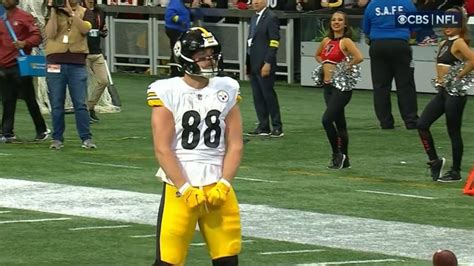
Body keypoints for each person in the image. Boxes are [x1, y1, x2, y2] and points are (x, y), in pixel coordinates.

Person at [147, 27, 243, 265]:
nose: (209, 60)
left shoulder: (226, 87)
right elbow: (163, 149)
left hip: (217, 186)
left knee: (228, 260)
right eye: (202, 55)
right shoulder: (168, 91)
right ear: (186, 58)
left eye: (212, 54)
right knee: (168, 262)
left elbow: (236, 144)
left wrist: (225, 183)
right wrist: (184, 187)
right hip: (180, 187)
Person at [417, 6, 474, 182]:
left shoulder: (459, 42)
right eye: (445, 22)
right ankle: (434, 160)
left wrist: (458, 76)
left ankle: (455, 171)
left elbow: (472, 60)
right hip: (443, 92)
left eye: (452, 23)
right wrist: (440, 79)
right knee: (422, 124)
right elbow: (438, 64)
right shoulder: (443, 43)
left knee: (453, 131)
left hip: (455, 94)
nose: (447, 26)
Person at [44, 0, 96, 149]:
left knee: (80, 104)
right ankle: (57, 138)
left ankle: (86, 138)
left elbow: (85, 29)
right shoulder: (54, 12)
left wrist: (71, 13)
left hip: (77, 63)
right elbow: (50, 33)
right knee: (56, 103)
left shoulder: (86, 12)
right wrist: (54, 11)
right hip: (54, 61)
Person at [315, 11, 363, 169]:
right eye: (334, 20)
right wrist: (324, 68)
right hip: (328, 87)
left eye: (340, 20)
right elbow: (318, 55)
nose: (336, 22)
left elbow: (359, 57)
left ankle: (337, 154)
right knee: (340, 123)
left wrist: (345, 67)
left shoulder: (346, 41)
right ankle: (345, 159)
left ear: (345, 24)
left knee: (326, 120)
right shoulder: (326, 40)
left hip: (341, 88)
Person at [362, 0, 419, 130]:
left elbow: (366, 29)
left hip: (378, 45)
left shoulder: (373, 4)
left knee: (380, 86)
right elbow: (415, 27)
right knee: (405, 85)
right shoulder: (407, 4)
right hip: (400, 44)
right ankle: (411, 121)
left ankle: (385, 122)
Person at [0, 0, 49, 143]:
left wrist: (24, 43)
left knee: (29, 99)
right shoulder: (2, 17)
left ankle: (42, 130)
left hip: (20, 64)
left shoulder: (24, 16)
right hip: (4, 65)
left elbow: (37, 36)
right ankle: (7, 132)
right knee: (7, 100)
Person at [246, 0, 283, 137]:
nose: (255, 2)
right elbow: (250, 42)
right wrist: (248, 63)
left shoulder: (271, 17)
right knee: (258, 96)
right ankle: (263, 126)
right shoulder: (254, 17)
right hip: (253, 62)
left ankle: (277, 126)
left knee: (268, 96)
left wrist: (268, 62)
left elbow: (274, 42)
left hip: (264, 63)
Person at [83, 0, 109, 122]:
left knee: (104, 81)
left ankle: (90, 106)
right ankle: (84, 111)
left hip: (97, 52)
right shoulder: (80, 11)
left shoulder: (100, 12)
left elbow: (104, 30)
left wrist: (102, 31)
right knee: (83, 83)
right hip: (83, 52)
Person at [164, 0, 191, 77]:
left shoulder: (179, 3)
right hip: (175, 30)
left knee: (177, 51)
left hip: (178, 30)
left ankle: (177, 70)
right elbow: (170, 15)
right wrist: (182, 21)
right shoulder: (175, 3)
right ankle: (175, 72)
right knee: (177, 51)